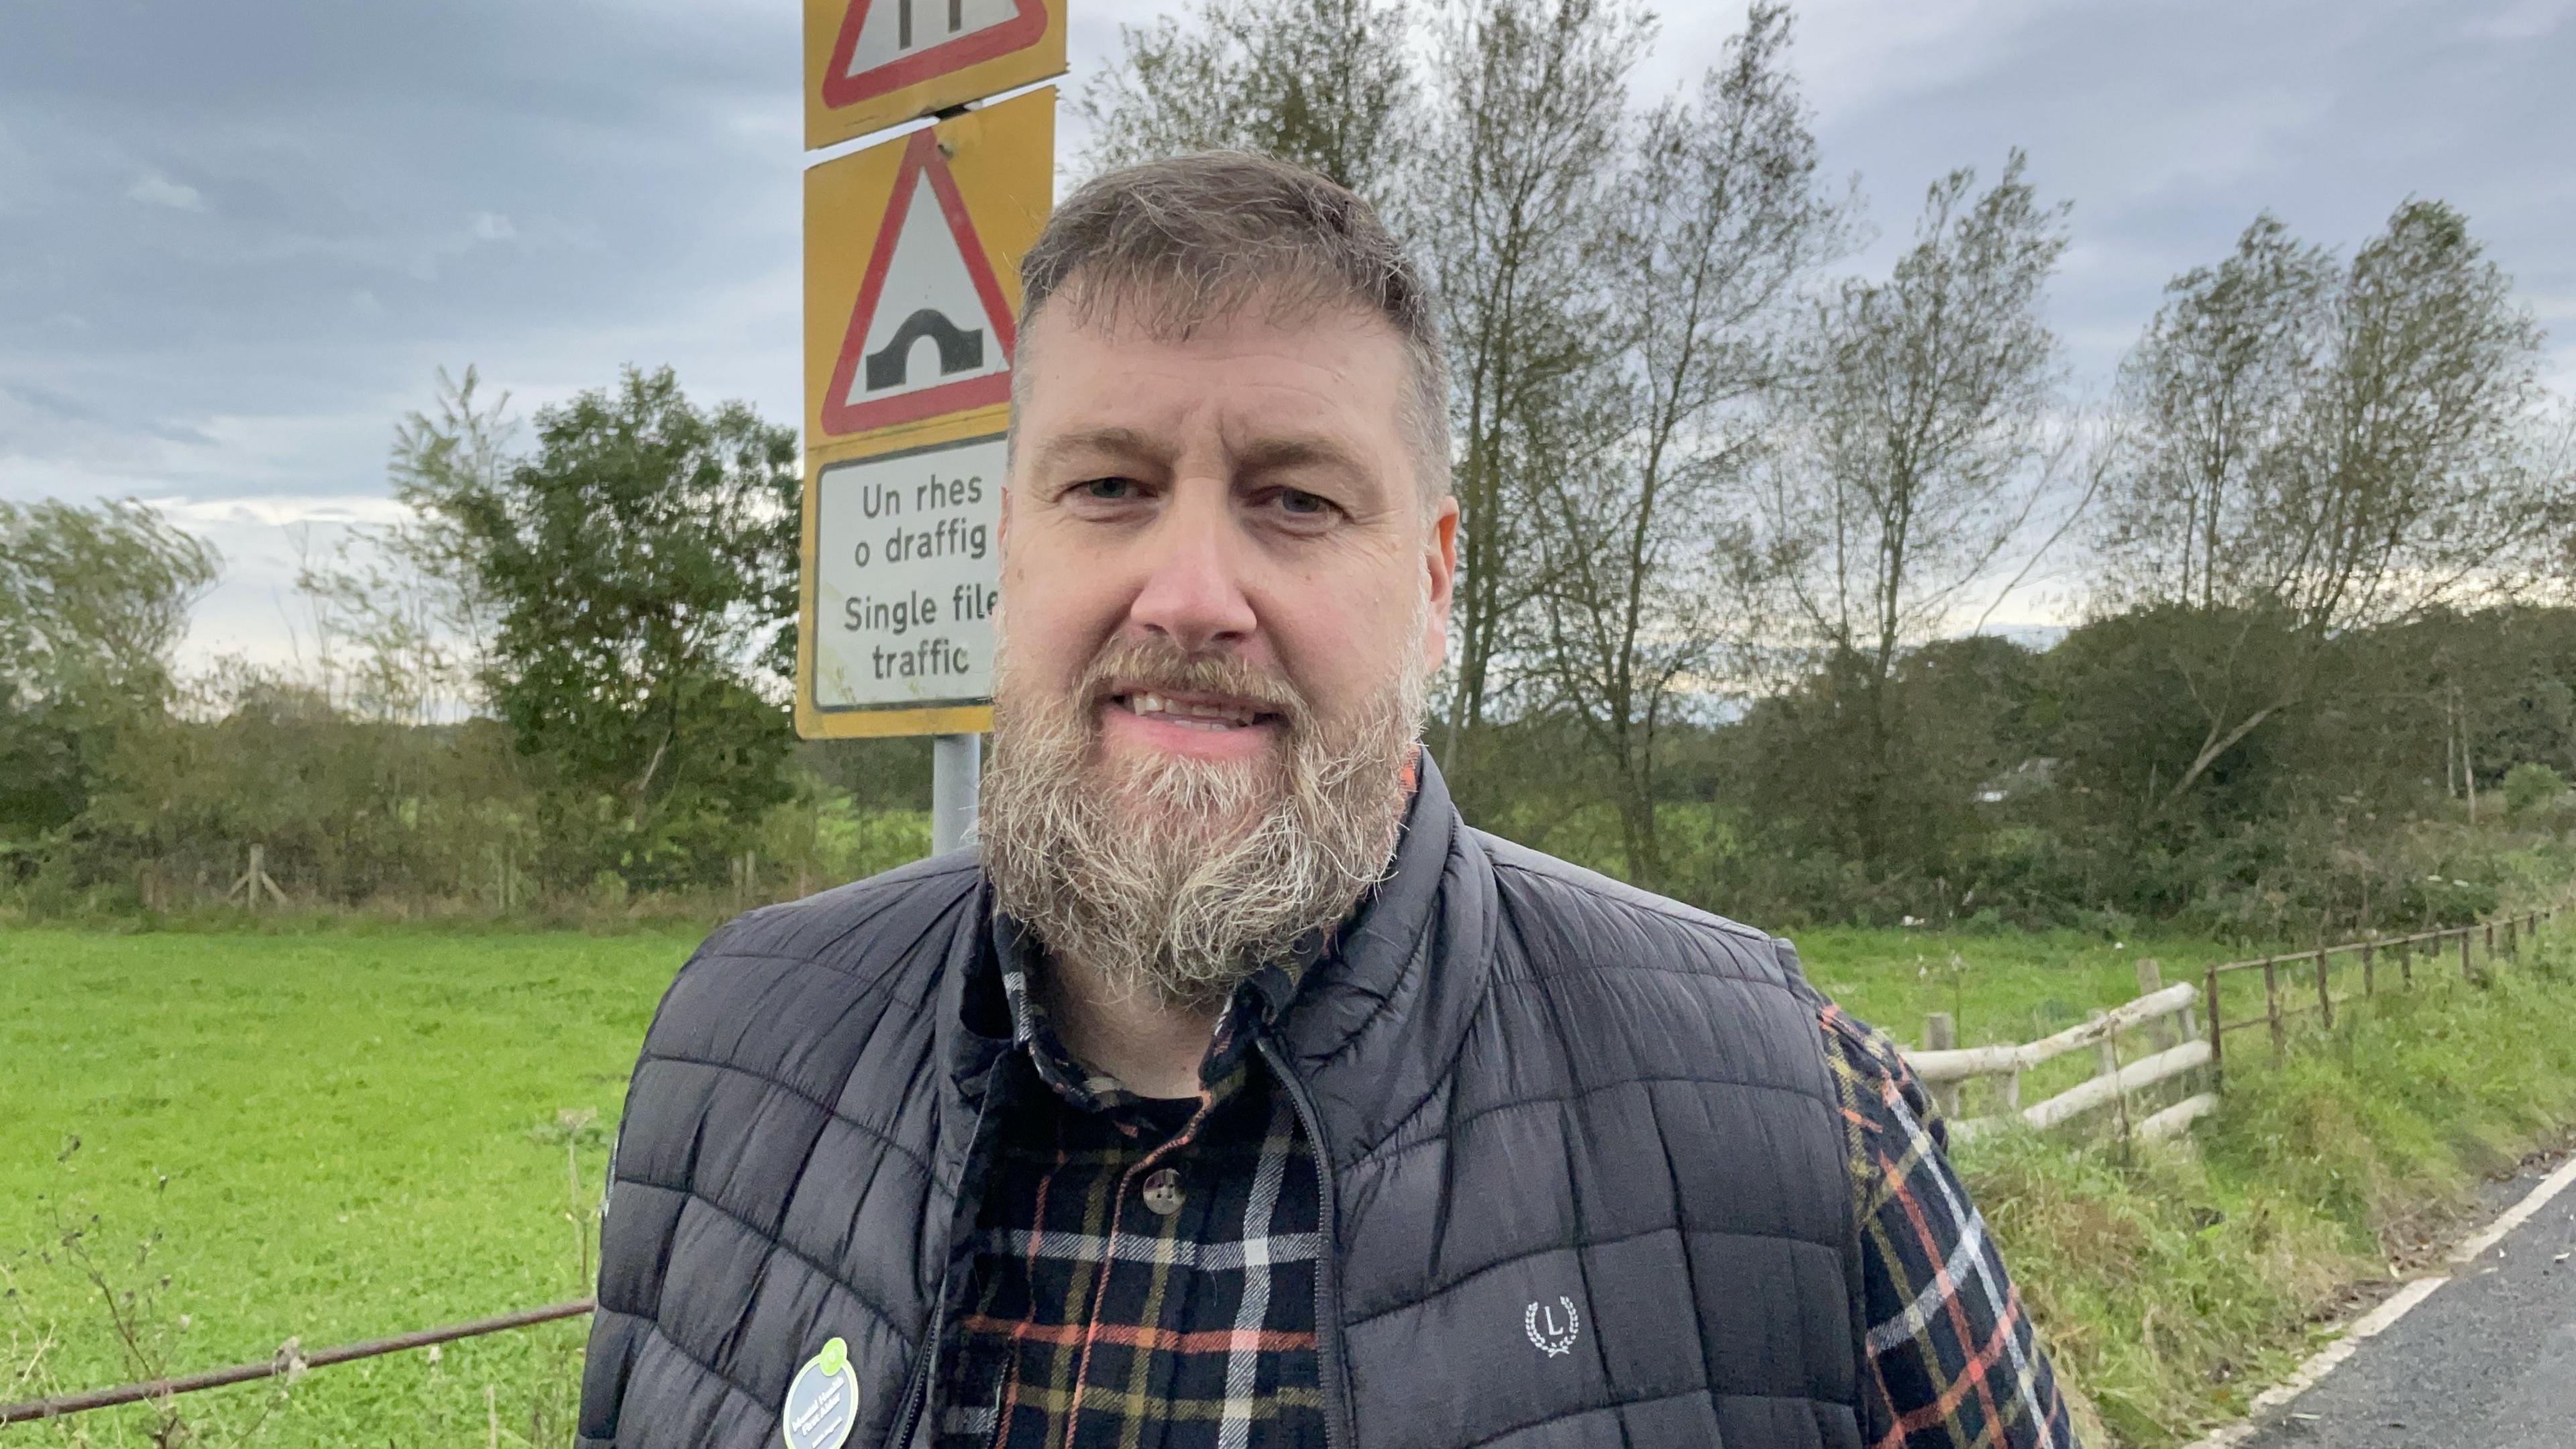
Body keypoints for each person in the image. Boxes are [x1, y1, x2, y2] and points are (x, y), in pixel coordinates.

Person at [578, 153, 2074, 1449]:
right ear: (1008, 547)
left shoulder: (1796, 1127)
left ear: (1430, 581)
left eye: (1295, 499)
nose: (1191, 595)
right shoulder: (736, 1055)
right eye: (1108, 487)